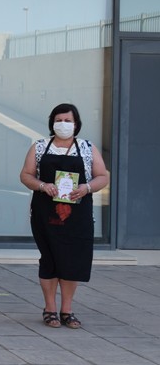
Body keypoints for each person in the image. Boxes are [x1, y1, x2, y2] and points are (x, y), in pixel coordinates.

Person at [20, 103, 109, 329]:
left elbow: (102, 176)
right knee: (49, 259)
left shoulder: (87, 147)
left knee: (73, 260)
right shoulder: (39, 147)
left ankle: (67, 310)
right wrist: (42, 185)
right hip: (45, 214)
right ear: (52, 123)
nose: (63, 124)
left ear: (76, 124)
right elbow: (26, 175)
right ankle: (50, 308)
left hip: (78, 215)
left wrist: (87, 188)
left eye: (68, 121)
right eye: (59, 120)